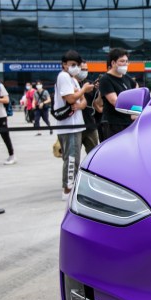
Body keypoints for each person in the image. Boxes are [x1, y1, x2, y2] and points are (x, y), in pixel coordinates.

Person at [54, 51, 92, 200]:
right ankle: (67, 190)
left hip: (76, 123)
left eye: (78, 65)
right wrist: (82, 91)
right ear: (64, 64)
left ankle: (72, 187)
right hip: (69, 125)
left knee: (74, 157)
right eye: (73, 65)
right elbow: (71, 99)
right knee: (71, 158)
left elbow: (83, 103)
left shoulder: (73, 79)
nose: (76, 68)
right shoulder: (63, 76)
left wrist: (79, 96)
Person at [98, 48, 135, 141]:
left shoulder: (127, 78)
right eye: (122, 61)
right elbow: (115, 101)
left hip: (128, 122)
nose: (125, 64)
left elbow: (137, 91)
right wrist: (135, 109)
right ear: (113, 63)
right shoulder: (106, 79)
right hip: (113, 124)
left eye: (127, 61)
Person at [76, 61, 99, 155]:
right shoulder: (70, 84)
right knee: (73, 156)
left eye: (86, 69)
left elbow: (97, 104)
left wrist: (99, 90)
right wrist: (83, 90)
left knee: (93, 154)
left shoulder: (90, 84)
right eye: (82, 69)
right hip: (74, 126)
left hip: (90, 124)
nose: (84, 72)